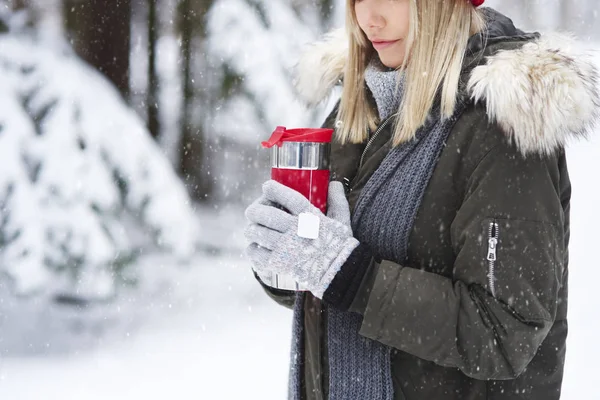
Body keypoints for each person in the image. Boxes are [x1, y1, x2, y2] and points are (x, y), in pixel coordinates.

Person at [244, 1, 599, 399]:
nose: (369, 18)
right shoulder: (364, 97)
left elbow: (504, 333)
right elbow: (326, 284)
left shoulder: (501, 125)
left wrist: (352, 277)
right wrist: (287, 256)